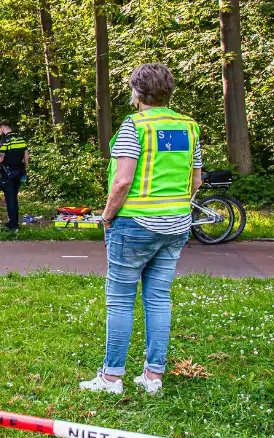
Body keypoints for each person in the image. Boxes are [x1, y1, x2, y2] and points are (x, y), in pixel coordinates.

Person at [79, 63, 202, 397]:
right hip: (176, 223)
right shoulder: (189, 127)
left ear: (136, 91)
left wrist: (106, 217)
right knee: (159, 298)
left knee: (120, 299)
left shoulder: (135, 126)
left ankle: (111, 378)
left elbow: (121, 181)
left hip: (134, 223)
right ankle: (153, 376)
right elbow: (196, 180)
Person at [0, 120, 28, 231]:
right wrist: (25, 169)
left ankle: (13, 225)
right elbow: (26, 156)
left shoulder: (5, 141)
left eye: (0, 130)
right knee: (14, 197)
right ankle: (13, 222)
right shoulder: (21, 138)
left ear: (2, 128)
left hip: (8, 173)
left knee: (10, 199)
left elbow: (0, 158)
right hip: (19, 172)